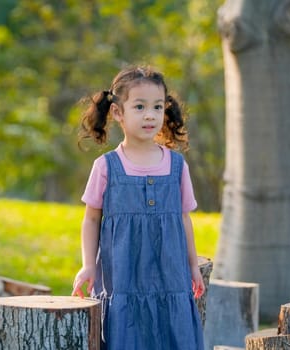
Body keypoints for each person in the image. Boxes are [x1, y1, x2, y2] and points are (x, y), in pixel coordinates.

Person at [72, 65, 205, 350]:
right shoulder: (106, 166)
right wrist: (87, 266)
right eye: (140, 106)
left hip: (171, 281)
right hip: (124, 281)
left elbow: (184, 219)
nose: (150, 115)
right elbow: (91, 220)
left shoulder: (177, 165)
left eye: (157, 107)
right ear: (118, 113)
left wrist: (193, 266)